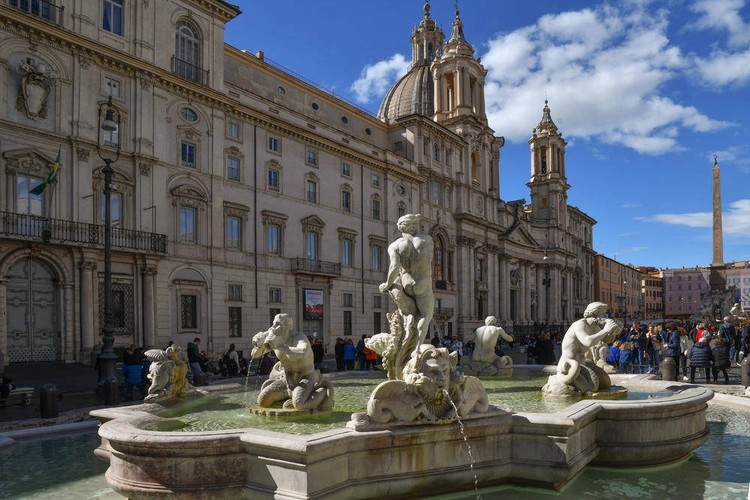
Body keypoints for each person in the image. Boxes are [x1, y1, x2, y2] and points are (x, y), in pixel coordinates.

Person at [250, 313, 332, 410]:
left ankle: (321, 391)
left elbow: (303, 352)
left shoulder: (299, 338)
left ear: (287, 327)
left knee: (299, 405)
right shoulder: (274, 339)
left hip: (306, 377)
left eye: (277, 324)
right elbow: (254, 355)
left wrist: (279, 346)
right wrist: (258, 344)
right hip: (288, 379)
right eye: (273, 324)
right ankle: (288, 396)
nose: (273, 327)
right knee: (263, 401)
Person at [379, 213, 435, 355]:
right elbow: (430, 260)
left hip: (406, 283)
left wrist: (387, 284)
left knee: (409, 313)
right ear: (413, 226)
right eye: (416, 223)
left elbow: (394, 267)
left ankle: (406, 334)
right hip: (423, 282)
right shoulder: (427, 240)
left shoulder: (395, 245)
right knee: (425, 315)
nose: (418, 226)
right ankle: (416, 349)